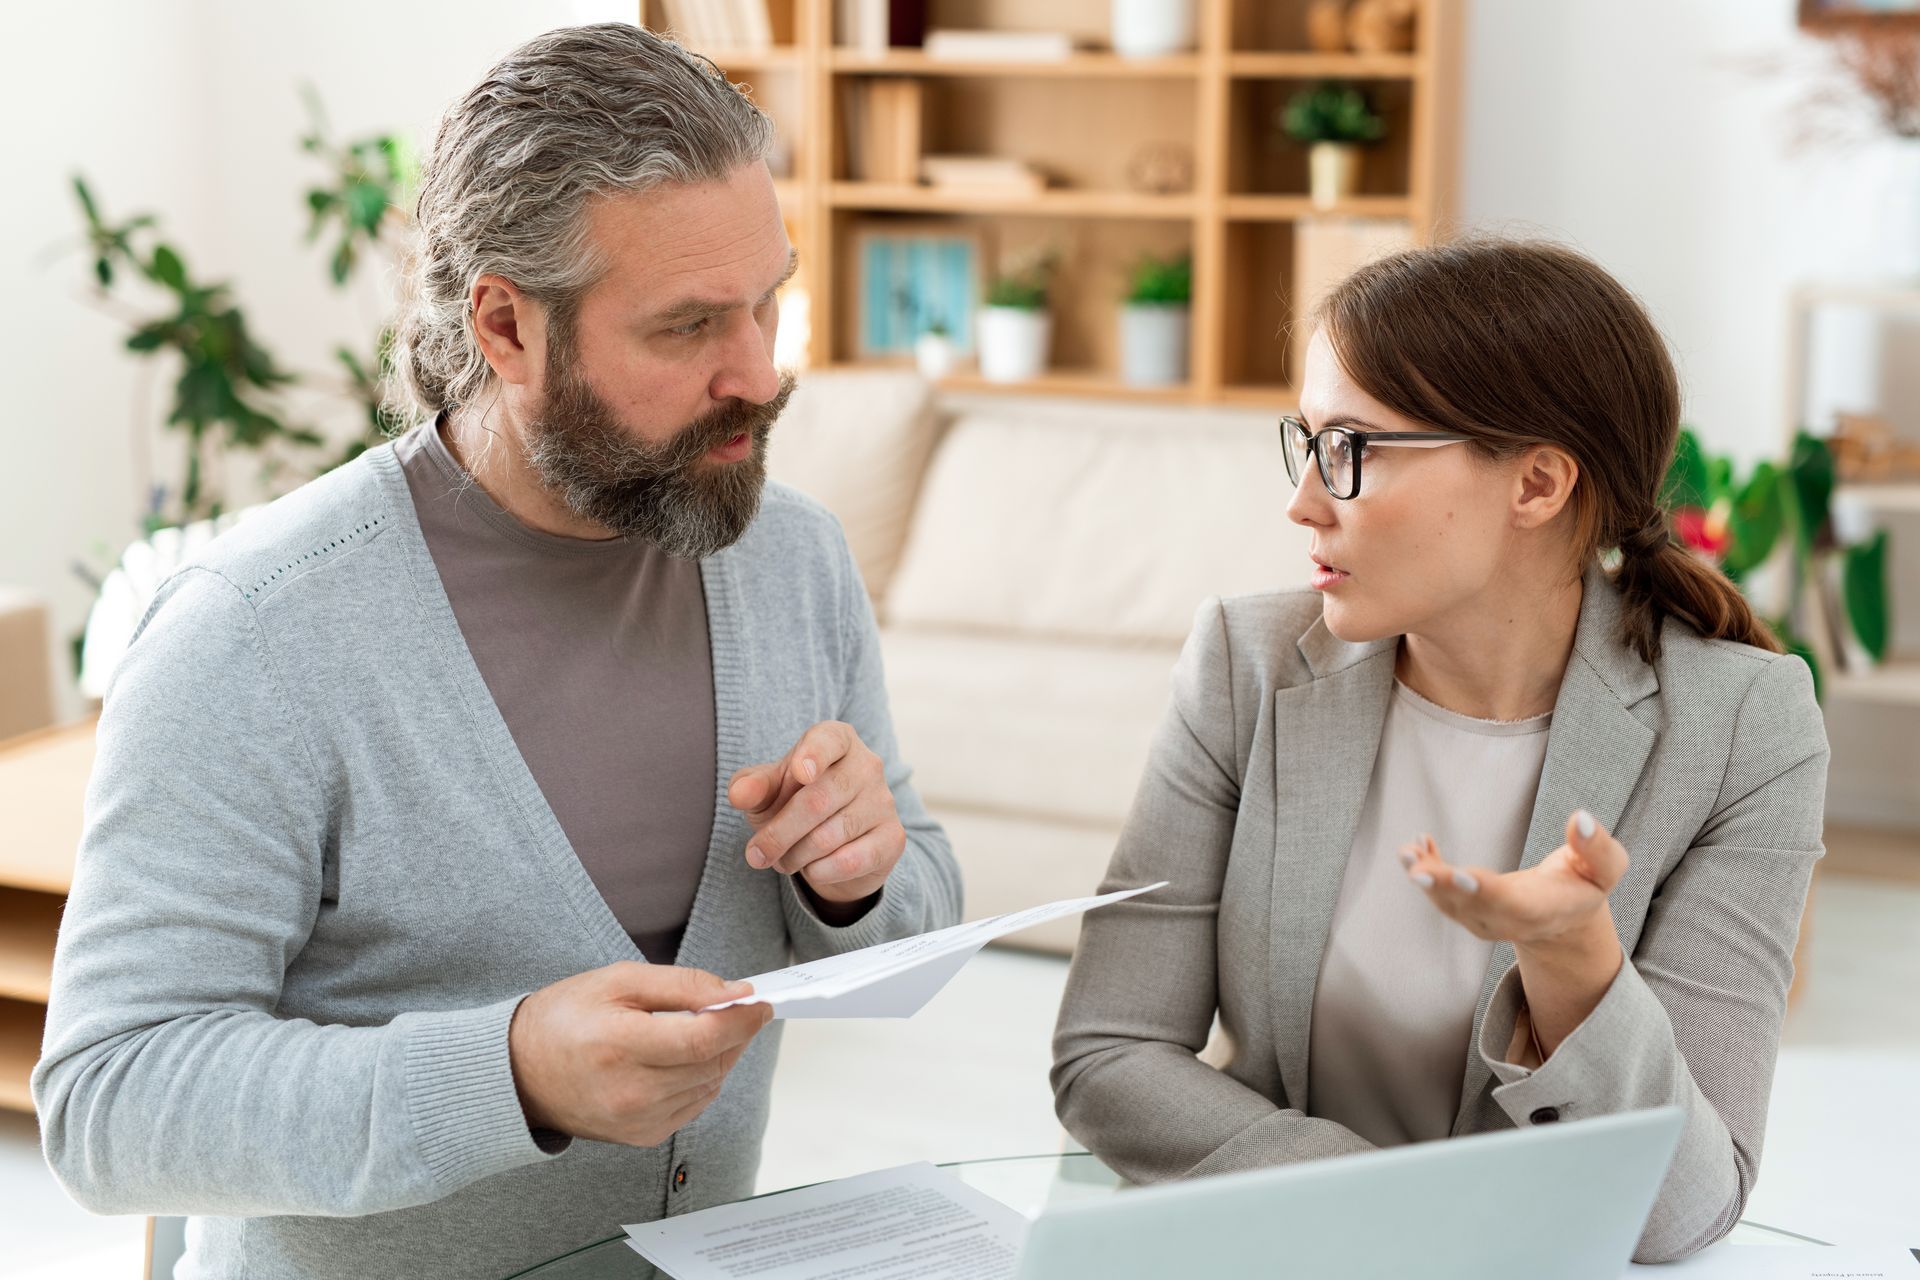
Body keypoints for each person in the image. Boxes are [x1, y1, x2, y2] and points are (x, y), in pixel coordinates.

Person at [34, 25, 961, 1280]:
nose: (758, 372)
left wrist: (857, 877)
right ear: (507, 326)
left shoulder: (790, 557)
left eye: (770, 302)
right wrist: (510, 1072)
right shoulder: (255, 632)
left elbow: (920, 901)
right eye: (688, 326)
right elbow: (109, 1102)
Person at [1050, 238, 1828, 1265]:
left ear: (1538, 483)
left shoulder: (1745, 727)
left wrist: (1572, 962)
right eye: (1308, 441)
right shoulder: (1246, 665)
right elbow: (1107, 1053)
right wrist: (1383, 1204)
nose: (1304, 501)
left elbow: (1682, 1208)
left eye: (1353, 449)